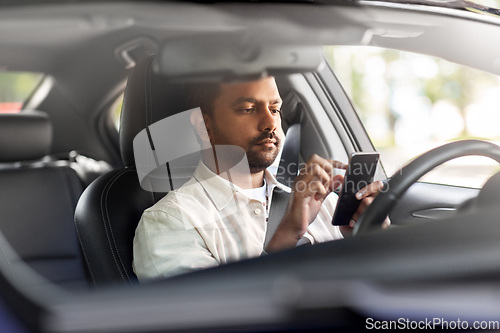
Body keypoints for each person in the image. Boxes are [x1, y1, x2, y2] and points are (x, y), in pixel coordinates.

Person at [133, 76, 387, 282]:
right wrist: (285, 236)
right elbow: (208, 323)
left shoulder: (320, 200)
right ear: (203, 125)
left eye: (275, 109)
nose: (270, 122)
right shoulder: (171, 222)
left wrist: (369, 242)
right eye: (248, 109)